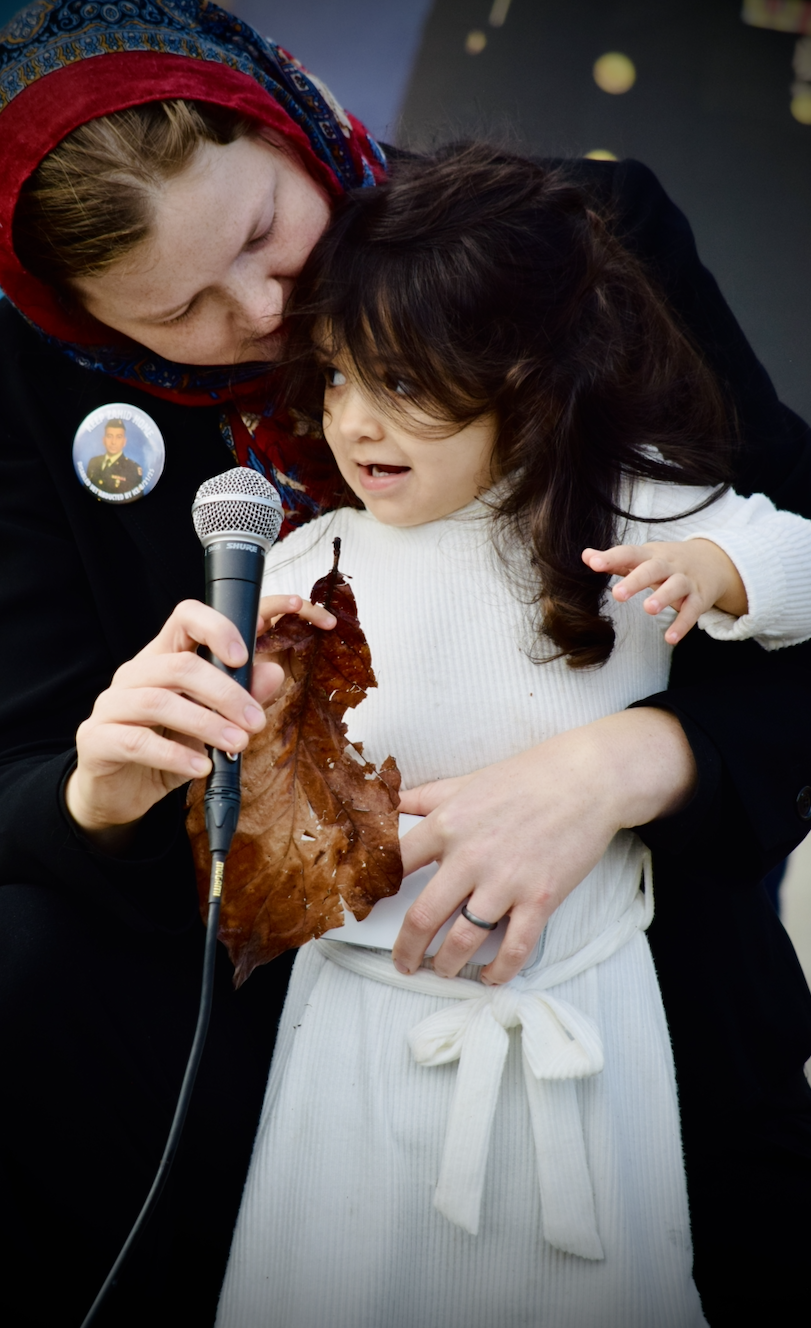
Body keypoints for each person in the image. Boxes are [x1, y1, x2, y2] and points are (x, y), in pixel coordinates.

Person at [0, 2, 808, 1324]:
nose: (271, 317)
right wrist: (96, 788)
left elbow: (787, 565)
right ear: (81, 320)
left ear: (288, 114)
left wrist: (624, 764)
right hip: (254, 953)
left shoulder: (564, 245)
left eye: (267, 237)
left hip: (600, 933)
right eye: (179, 314)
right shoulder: (9, 397)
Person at [215, 146, 811, 1328]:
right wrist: (267, 719)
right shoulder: (301, 567)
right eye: (333, 378)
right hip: (360, 1030)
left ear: (523, 371)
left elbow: (800, 544)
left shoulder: (622, 501)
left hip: (589, 1018)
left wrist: (721, 569)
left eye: (400, 380)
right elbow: (255, 875)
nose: (355, 421)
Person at [85, 418, 143, 494]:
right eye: (109, 436)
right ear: (104, 440)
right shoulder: (93, 462)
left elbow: (135, 498)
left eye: (118, 437)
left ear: (124, 441)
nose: (113, 442)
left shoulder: (132, 468)